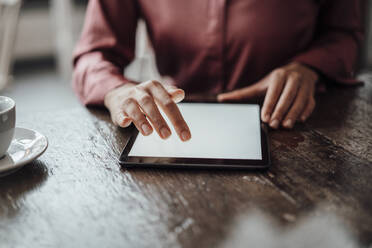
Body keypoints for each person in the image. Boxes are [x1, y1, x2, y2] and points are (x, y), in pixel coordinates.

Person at [73, 0, 364, 142]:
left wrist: (308, 68)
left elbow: (344, 34)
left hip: (294, 129)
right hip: (180, 131)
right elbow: (93, 54)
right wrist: (117, 90)